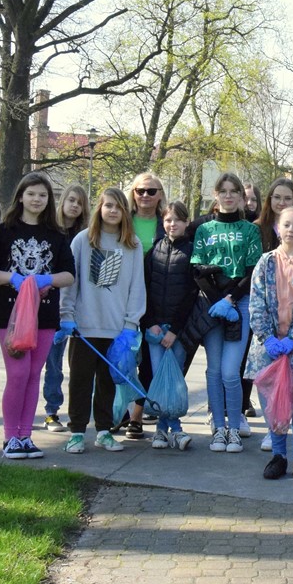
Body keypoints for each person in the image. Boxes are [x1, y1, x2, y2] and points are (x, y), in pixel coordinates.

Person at [0, 173, 76, 459]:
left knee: (34, 375)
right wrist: (14, 278)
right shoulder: (3, 231)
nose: (37, 199)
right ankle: (10, 437)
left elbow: (69, 275)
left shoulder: (57, 235)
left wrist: (47, 280)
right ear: (20, 196)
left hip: (44, 316)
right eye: (32, 194)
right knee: (18, 373)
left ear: (49, 200)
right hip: (11, 316)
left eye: (42, 195)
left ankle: (25, 436)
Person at [58, 187, 146, 454]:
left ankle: (105, 431)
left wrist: (131, 324)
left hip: (117, 329)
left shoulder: (133, 245)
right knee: (80, 380)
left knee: (108, 383)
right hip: (84, 327)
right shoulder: (83, 241)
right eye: (108, 205)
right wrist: (66, 315)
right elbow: (70, 283)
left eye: (118, 207)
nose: (112, 211)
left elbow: (136, 286)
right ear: (99, 208)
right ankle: (76, 431)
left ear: (125, 212)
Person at [247, 206, 293, 481]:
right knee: (273, 403)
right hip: (268, 346)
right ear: (278, 229)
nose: (291, 230)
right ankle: (278, 455)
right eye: (286, 225)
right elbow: (256, 303)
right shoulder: (265, 262)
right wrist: (267, 337)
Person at [190, 172, 262, 454]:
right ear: (216, 195)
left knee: (232, 372)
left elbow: (252, 270)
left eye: (234, 191)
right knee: (214, 370)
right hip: (211, 302)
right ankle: (218, 428)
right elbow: (197, 269)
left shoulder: (251, 230)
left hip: (239, 303)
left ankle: (234, 427)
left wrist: (231, 298)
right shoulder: (204, 230)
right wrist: (218, 299)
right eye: (224, 191)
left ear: (242, 198)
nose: (229, 195)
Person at [143, 201, 198, 450]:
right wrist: (152, 323)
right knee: (158, 378)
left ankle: (166, 430)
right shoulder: (154, 251)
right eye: (167, 219)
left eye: (177, 219)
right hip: (155, 329)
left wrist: (175, 330)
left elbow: (191, 295)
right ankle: (169, 430)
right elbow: (144, 289)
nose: (172, 224)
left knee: (173, 379)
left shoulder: (191, 252)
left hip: (178, 331)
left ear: (186, 222)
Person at [42, 184, 89, 432]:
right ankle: (51, 411)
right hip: (50, 303)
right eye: (71, 200)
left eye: (79, 203)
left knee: (73, 364)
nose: (74, 205)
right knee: (52, 361)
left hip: (77, 307)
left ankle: (71, 411)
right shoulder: (51, 231)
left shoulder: (86, 237)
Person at [124, 172, 166, 440]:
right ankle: (120, 412)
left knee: (148, 364)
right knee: (123, 357)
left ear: (160, 194)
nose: (145, 196)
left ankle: (136, 418)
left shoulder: (167, 223)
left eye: (152, 191)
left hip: (156, 299)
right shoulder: (123, 220)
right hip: (123, 297)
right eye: (140, 191)